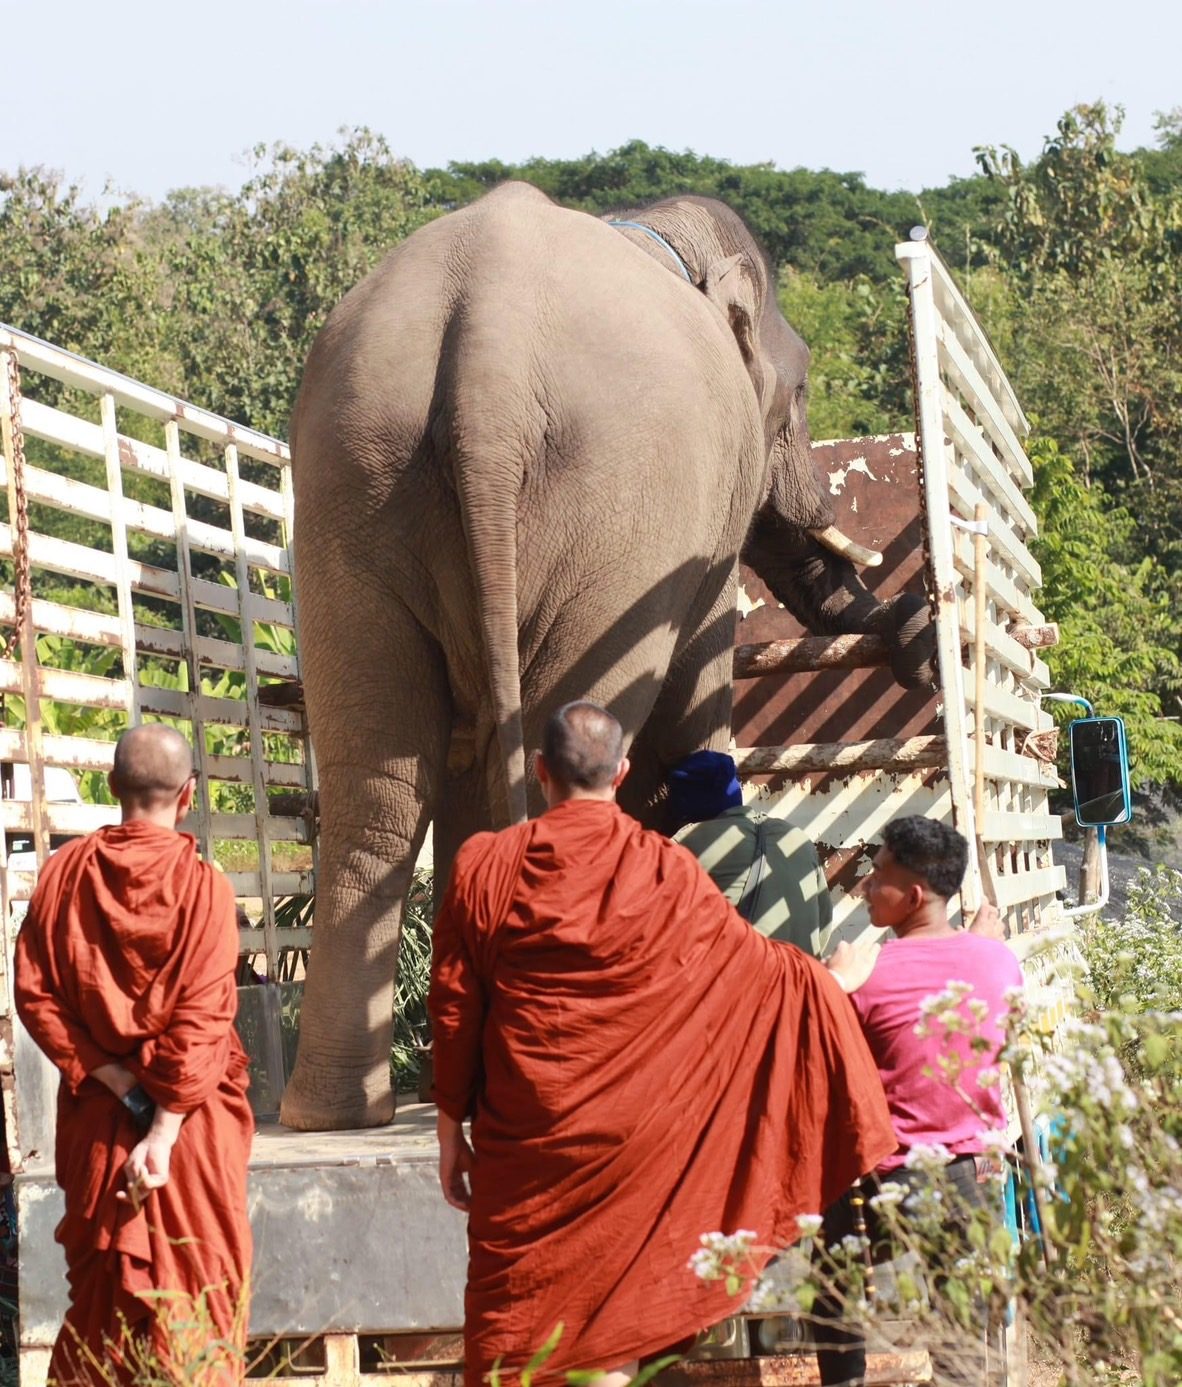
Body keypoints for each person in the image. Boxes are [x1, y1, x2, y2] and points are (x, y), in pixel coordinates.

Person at [428, 701, 897, 1387]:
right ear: (622, 773)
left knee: (518, 1322)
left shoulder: (485, 864)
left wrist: (449, 1129)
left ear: (541, 771)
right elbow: (755, 972)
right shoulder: (667, 867)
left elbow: (454, 1009)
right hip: (635, 1139)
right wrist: (830, 983)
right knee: (616, 1309)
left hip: (527, 1143)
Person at [14, 724, 253, 1387]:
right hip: (189, 1133)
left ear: (112, 786)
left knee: (103, 1327)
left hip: (100, 1126)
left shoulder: (65, 875)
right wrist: (163, 1133)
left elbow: (34, 995)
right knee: (196, 1312)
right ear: (189, 795)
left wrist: (115, 1076)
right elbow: (202, 1021)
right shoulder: (205, 888)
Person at [811, 816, 1023, 1387]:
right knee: (961, 1330)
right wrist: (980, 944)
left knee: (833, 1287)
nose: (865, 884)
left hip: (889, 1179)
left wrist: (831, 985)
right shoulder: (1000, 961)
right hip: (973, 1176)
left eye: (878, 873)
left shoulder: (868, 973)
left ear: (913, 896)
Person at [669, 750, 833, 957]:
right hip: (804, 972)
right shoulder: (797, 838)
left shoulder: (687, 843)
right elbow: (823, 928)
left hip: (742, 974)